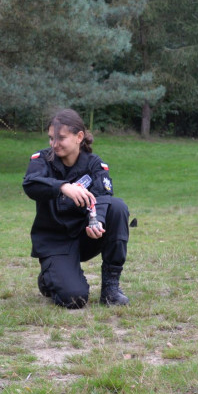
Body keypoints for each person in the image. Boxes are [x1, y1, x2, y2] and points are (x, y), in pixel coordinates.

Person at [23, 109, 130, 309]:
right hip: (55, 241)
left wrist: (97, 220)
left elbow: (103, 195)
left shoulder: (94, 164)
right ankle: (49, 278)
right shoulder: (41, 160)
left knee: (118, 207)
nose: (54, 144)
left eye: (61, 138)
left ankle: (111, 289)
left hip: (85, 237)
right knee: (74, 299)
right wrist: (62, 186)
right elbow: (30, 184)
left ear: (79, 137)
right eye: (50, 138)